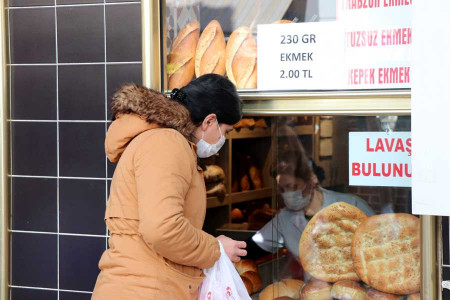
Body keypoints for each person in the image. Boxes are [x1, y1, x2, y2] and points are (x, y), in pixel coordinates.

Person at [92, 74, 246, 299]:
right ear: (210, 121)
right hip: (145, 291)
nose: (225, 139)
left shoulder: (161, 140)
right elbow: (162, 228)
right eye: (227, 131)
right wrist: (216, 249)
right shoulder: (166, 143)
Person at [252, 150, 375, 262]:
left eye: (292, 186)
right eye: (282, 189)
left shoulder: (353, 205)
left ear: (312, 180)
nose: (287, 194)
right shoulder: (285, 219)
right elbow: (253, 248)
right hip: (313, 286)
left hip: (355, 284)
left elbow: (381, 244)